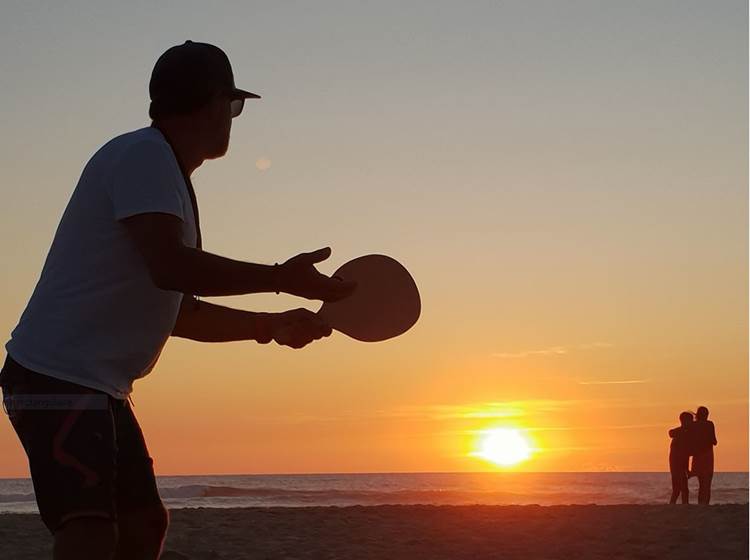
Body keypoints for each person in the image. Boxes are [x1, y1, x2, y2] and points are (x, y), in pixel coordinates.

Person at [0, 40, 356, 560]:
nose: (233, 119)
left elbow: (179, 310)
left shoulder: (164, 176)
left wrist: (271, 325)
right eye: (233, 106)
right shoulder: (144, 156)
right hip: (57, 376)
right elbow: (173, 270)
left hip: (94, 384)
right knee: (90, 532)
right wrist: (282, 277)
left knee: (144, 524)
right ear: (212, 103)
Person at [689, 406, 718, 505]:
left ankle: (700, 504)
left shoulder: (694, 425)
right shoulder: (709, 424)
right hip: (708, 455)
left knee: (701, 483)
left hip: (697, 455)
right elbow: (714, 441)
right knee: (707, 484)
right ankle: (705, 504)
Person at [667, 411, 694, 504]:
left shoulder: (685, 434)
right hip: (676, 464)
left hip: (679, 464)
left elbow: (685, 454)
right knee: (681, 489)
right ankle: (683, 505)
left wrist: (687, 469)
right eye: (691, 421)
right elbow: (671, 432)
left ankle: (674, 505)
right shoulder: (681, 433)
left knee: (678, 489)